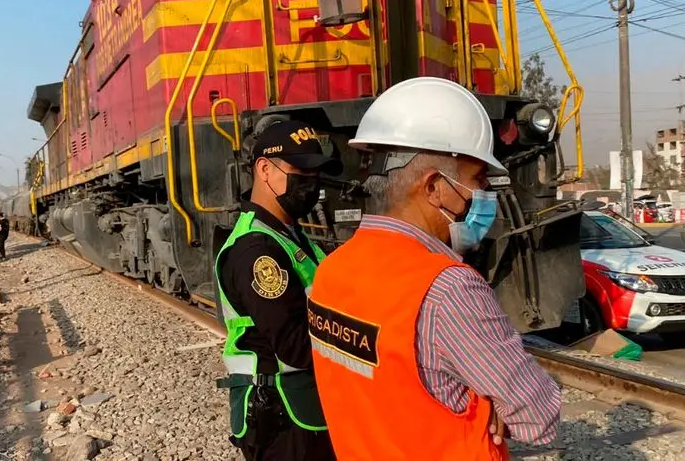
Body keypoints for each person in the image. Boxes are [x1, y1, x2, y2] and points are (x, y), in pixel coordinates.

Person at [308, 77, 561, 460]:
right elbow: (539, 416)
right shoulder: (447, 289)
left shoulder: (332, 270)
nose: (483, 195)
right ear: (433, 188)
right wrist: (484, 398)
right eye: (476, 179)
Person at [215, 119, 341, 461]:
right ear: (264, 169)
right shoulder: (257, 251)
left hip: (307, 407)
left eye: (316, 173)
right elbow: (296, 347)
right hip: (285, 417)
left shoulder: (289, 234)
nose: (311, 182)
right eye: (300, 170)